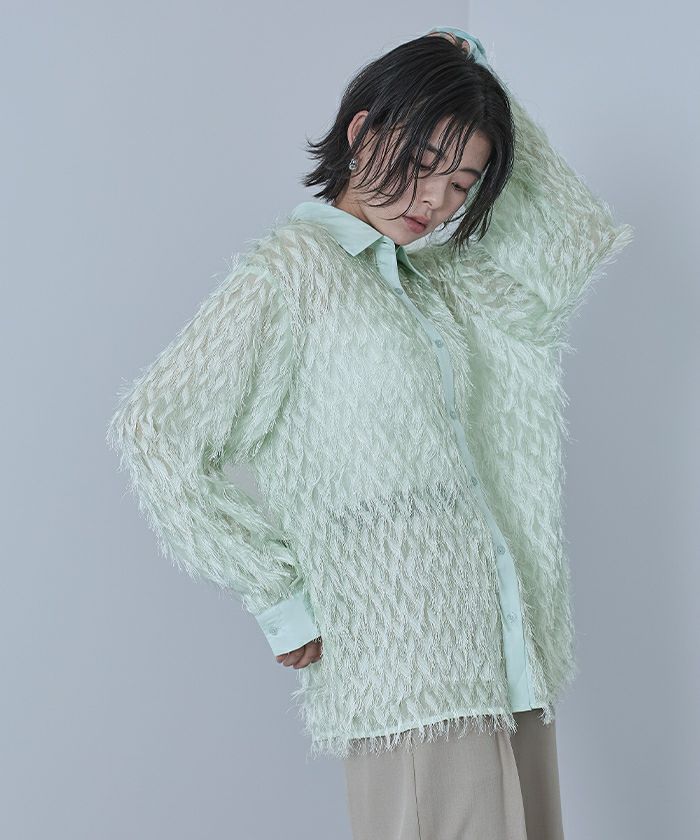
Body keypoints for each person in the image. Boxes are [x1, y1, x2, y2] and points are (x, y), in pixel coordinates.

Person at [106, 25, 633, 840]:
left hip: (509, 658)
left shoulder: (443, 285)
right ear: (363, 130)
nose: (437, 202)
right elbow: (155, 432)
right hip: (411, 679)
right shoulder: (289, 276)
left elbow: (574, 240)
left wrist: (476, 82)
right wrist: (278, 595)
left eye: (462, 184)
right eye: (422, 163)